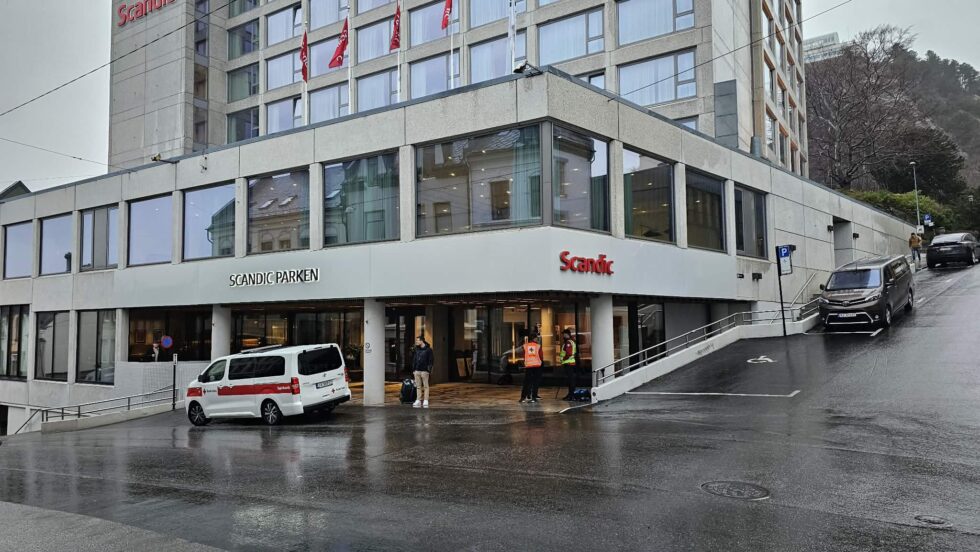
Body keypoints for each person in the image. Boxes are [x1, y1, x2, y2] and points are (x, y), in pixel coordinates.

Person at [519, 337, 543, 403]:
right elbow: (541, 356)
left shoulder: (525, 346)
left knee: (527, 382)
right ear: (534, 339)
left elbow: (523, 355)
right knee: (535, 382)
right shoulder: (538, 346)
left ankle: (523, 397)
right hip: (537, 366)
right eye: (536, 338)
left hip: (528, 366)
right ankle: (534, 397)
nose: (537, 340)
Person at [412, 336, 433, 408]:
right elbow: (414, 359)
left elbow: (431, 360)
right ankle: (418, 400)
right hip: (417, 371)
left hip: (424, 371)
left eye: (418, 340)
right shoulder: (417, 349)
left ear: (422, 341)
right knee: (418, 386)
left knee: (426, 386)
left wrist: (428, 370)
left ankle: (426, 400)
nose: (416, 342)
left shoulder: (428, 350)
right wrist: (414, 370)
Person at [559, 329, 577, 401]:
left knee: (570, 380)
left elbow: (568, 353)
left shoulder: (568, 342)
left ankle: (571, 395)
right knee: (570, 380)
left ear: (567, 334)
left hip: (568, 363)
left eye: (564, 334)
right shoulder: (570, 342)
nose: (563, 336)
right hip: (569, 363)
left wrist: (563, 359)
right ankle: (570, 394)